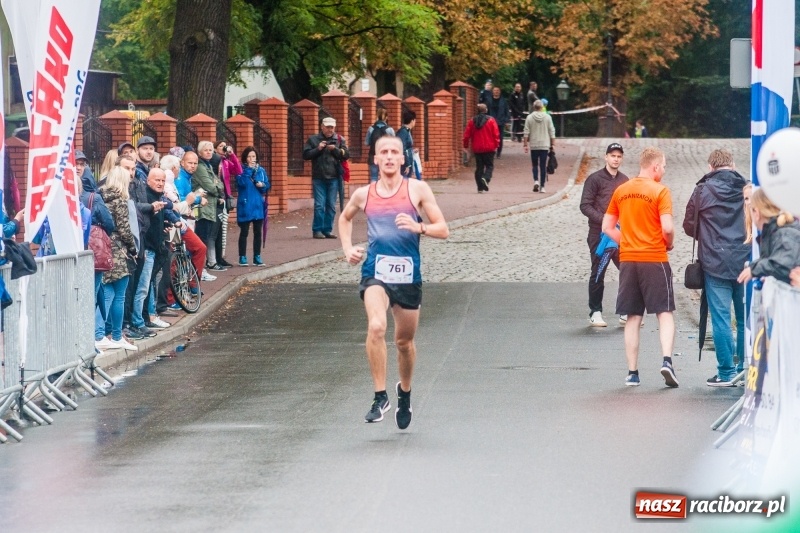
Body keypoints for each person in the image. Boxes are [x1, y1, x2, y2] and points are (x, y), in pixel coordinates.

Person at [338, 135, 449, 429]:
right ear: (375, 159)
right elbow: (345, 218)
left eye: (394, 152)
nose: (388, 156)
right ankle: (380, 396)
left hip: (408, 275)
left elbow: (443, 229)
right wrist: (347, 248)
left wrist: (419, 227)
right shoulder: (364, 194)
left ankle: (405, 392)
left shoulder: (417, 189)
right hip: (375, 271)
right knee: (376, 326)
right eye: (383, 152)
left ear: (402, 158)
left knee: (404, 342)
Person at [602, 147, 678, 388]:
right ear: (655, 166)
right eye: (663, 166)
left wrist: (625, 241)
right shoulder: (660, 191)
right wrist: (669, 243)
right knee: (664, 312)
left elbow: (606, 226)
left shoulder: (621, 190)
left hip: (628, 260)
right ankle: (667, 361)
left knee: (633, 316)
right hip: (654, 258)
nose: (663, 170)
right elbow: (667, 227)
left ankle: (632, 372)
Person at [683, 149, 750, 387]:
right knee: (744, 318)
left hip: (714, 261)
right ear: (733, 165)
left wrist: (709, 235)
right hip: (745, 260)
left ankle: (726, 373)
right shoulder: (747, 189)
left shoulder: (702, 190)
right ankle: (745, 370)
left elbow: (689, 225)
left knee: (721, 319)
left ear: (711, 167)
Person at [579, 143, 628, 327]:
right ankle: (595, 311)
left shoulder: (624, 180)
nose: (616, 159)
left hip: (619, 233)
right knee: (599, 271)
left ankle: (625, 311)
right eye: (613, 155)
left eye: (619, 156)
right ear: (606, 157)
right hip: (598, 234)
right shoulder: (594, 179)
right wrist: (605, 221)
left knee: (627, 270)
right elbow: (585, 206)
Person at [96, 167, 139, 352]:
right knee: (119, 295)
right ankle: (115, 335)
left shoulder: (100, 198)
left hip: (103, 249)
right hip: (118, 251)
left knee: (105, 293)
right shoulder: (120, 201)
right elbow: (124, 229)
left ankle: (99, 333)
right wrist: (133, 248)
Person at [737, 188, 800, 286]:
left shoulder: (784, 234)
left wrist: (754, 269)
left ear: (757, 213)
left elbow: (782, 265)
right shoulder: (779, 232)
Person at [302, 117, 350, 239]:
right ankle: (317, 230)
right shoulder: (313, 139)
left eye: (332, 127)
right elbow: (305, 155)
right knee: (319, 205)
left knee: (331, 205)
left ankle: (327, 230)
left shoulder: (339, 139)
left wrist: (335, 150)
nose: (330, 130)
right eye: (327, 127)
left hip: (334, 177)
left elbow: (346, 155)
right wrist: (318, 149)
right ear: (322, 127)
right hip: (318, 177)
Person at [193, 141, 227, 270]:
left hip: (210, 206)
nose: (209, 152)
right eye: (206, 150)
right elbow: (211, 187)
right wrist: (217, 187)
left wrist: (217, 186)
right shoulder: (200, 167)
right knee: (203, 238)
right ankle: (201, 268)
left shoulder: (208, 166)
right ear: (200, 152)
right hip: (203, 207)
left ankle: (207, 264)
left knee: (208, 236)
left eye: (210, 150)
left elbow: (220, 184)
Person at [236, 146, 270, 266]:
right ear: (245, 158)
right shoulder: (241, 170)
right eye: (249, 156)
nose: (251, 159)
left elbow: (267, 185)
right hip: (245, 204)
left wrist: (263, 185)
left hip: (257, 205)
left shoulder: (261, 170)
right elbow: (241, 183)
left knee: (258, 232)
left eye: (253, 156)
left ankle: (257, 256)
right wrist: (249, 170)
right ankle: (242, 256)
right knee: (244, 231)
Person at [462, 104, 500, 193]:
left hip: (477, 148)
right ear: (486, 110)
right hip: (489, 147)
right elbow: (496, 134)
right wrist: (496, 145)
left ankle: (480, 188)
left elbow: (466, 135)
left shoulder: (472, 121)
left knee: (479, 167)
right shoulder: (491, 120)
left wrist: (465, 145)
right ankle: (486, 178)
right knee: (489, 166)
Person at [522, 100, 555, 193]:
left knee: (535, 164)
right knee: (543, 165)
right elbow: (552, 131)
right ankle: (542, 186)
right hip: (544, 144)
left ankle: (536, 180)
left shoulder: (529, 117)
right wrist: (553, 144)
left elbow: (526, 131)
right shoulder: (548, 117)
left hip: (534, 144)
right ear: (542, 107)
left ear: (534, 107)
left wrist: (525, 144)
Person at [365, 108, 395, 182]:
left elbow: (366, 143)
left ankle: (373, 189)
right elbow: (395, 144)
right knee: (385, 177)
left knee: (373, 177)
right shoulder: (389, 130)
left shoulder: (371, 129)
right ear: (386, 117)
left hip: (373, 155)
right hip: (386, 157)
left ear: (376, 116)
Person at [487, 86, 510, 158]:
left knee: (500, 137)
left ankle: (499, 152)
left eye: (497, 90)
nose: (496, 91)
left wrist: (507, 121)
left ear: (500, 92)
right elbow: (486, 111)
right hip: (491, 122)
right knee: (491, 137)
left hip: (501, 121)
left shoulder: (504, 101)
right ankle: (492, 151)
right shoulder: (488, 100)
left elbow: (507, 111)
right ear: (492, 91)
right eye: (495, 90)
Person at [396, 109, 417, 179]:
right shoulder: (403, 132)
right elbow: (402, 148)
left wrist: (412, 151)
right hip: (405, 163)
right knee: (404, 181)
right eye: (415, 120)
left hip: (408, 160)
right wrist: (407, 164)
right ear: (412, 121)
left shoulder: (407, 131)